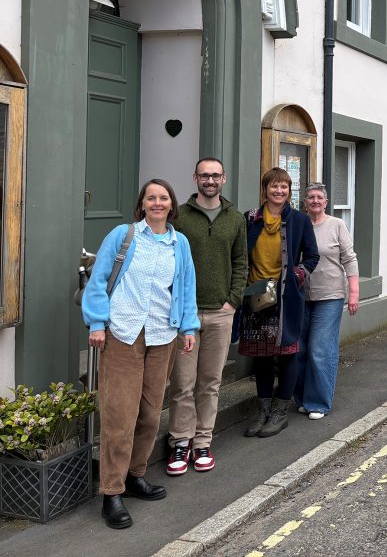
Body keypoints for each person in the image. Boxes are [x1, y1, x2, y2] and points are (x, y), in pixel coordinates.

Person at [81, 179, 199, 530]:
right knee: (120, 414)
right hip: (122, 332)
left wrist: (188, 327)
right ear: (142, 204)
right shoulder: (123, 236)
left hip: (162, 335)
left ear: (171, 204)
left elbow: (187, 287)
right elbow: (99, 279)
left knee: (149, 413)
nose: (158, 203)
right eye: (151, 197)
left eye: (163, 198)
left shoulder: (180, 244)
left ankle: (135, 476)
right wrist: (97, 323)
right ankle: (111, 492)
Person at [165, 158, 248, 475]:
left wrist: (233, 301)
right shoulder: (181, 217)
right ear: (195, 178)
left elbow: (241, 262)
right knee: (183, 384)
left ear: (223, 178)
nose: (210, 180)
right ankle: (180, 444)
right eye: (204, 175)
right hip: (185, 316)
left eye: (215, 175)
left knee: (210, 383)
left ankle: (202, 442)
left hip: (220, 313)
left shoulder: (235, 219)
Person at [240, 167, 319, 438]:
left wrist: (298, 274)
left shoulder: (299, 220)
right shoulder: (250, 218)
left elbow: (312, 256)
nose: (279, 191)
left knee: (287, 354)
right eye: (274, 186)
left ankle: (280, 413)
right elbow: (240, 254)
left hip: (286, 297)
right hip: (255, 296)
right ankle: (263, 410)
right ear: (266, 189)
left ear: (289, 190)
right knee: (261, 357)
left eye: (284, 186)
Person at [294, 183, 359, 419]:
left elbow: (349, 259)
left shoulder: (336, 225)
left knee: (320, 350)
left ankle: (318, 402)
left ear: (326, 202)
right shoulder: (298, 224)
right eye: (310, 197)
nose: (315, 201)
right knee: (299, 350)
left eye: (319, 197)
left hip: (330, 295)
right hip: (301, 295)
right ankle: (301, 398)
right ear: (304, 202)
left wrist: (353, 293)